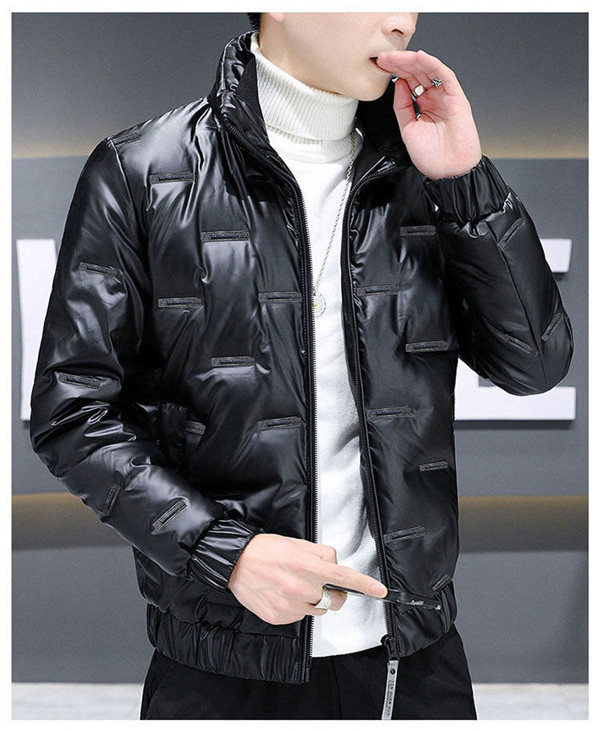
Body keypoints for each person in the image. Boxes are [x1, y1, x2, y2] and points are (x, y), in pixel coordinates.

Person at [29, 11, 573, 721]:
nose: (402, 20)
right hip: (221, 665)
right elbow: (73, 413)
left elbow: (534, 364)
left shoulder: (422, 173)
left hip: (413, 661)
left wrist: (467, 183)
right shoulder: (142, 172)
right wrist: (225, 551)